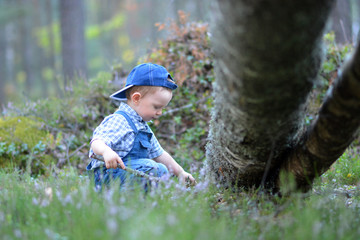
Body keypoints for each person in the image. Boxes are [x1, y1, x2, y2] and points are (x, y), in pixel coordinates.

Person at [87, 63, 196, 190]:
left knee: (159, 170)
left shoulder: (143, 128)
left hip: (129, 176)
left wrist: (180, 172)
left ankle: (139, 203)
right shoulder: (119, 120)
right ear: (137, 98)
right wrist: (106, 151)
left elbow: (159, 154)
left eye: (162, 108)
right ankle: (118, 200)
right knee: (156, 169)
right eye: (156, 107)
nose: (160, 112)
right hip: (107, 177)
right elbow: (96, 142)